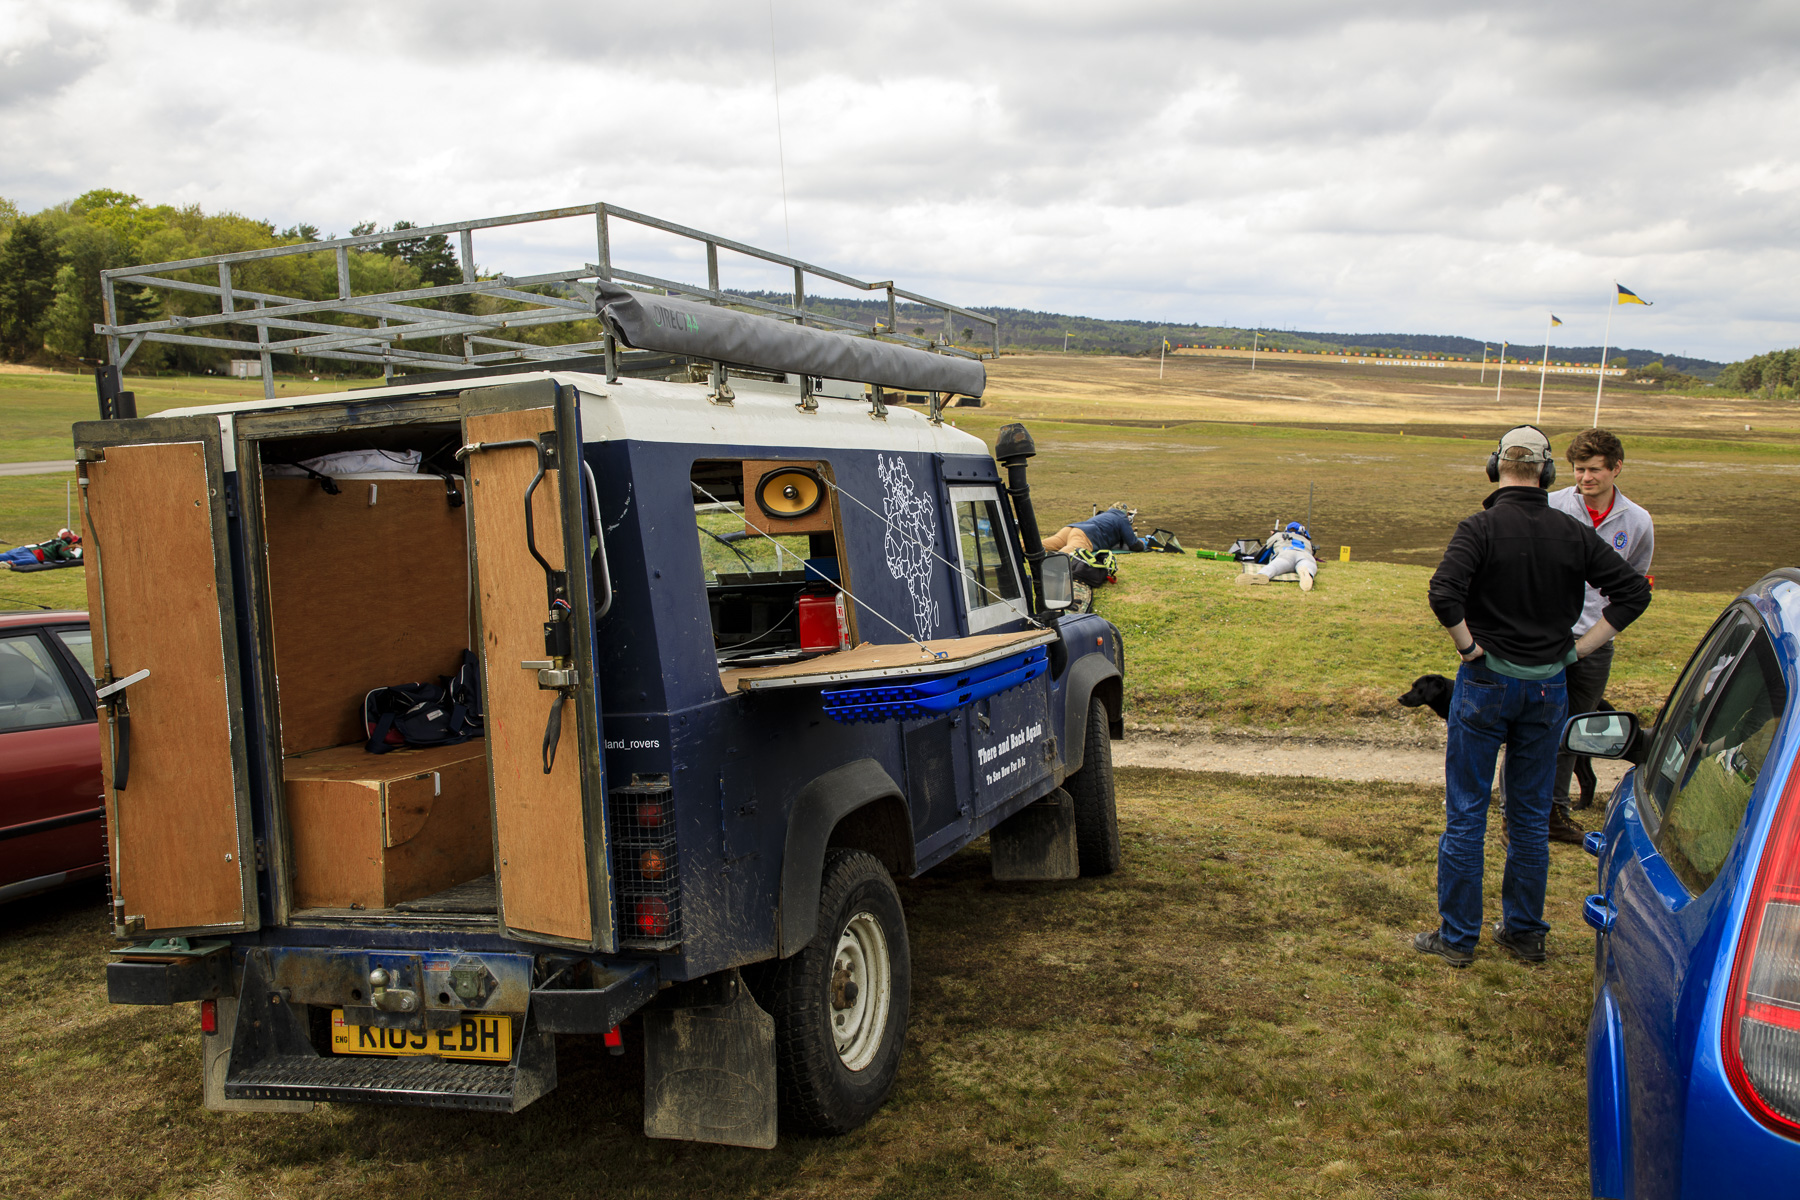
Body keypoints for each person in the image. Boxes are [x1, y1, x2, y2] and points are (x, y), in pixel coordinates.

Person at [1417, 426, 1652, 967]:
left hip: (1484, 685)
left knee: (1467, 813)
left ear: (1494, 467)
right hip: (1549, 687)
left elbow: (1442, 592)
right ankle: (1524, 934)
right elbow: (1634, 592)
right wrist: (1579, 649)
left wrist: (1470, 648)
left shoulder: (1478, 527)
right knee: (1527, 816)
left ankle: (1457, 939)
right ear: (1546, 474)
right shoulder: (1572, 533)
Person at [1547, 429, 1654, 830]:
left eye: (1593, 470)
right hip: (1547, 636)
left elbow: (1634, 582)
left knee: (1574, 728)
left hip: (1596, 641)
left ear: (1616, 468)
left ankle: (1555, 811)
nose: (1585, 478)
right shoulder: (1550, 505)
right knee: (1532, 722)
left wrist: (1599, 635)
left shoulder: (1638, 521)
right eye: (1578, 469)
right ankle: (1519, 808)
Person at [1234, 521, 1318, 591]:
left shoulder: (1278, 535)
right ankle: (1307, 573)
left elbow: (1264, 553)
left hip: (1286, 553)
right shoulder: (1307, 541)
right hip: (1305, 554)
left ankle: (1263, 574)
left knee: (1274, 567)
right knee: (1308, 564)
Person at [1042, 504, 1145, 555]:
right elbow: (1134, 545)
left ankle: (1025, 548)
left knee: (1044, 544)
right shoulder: (1122, 519)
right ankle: (1053, 562)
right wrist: (1142, 544)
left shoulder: (1104, 515)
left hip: (1072, 528)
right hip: (1086, 535)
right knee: (1070, 552)